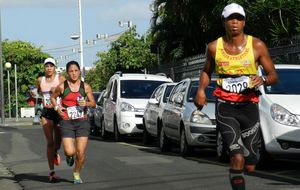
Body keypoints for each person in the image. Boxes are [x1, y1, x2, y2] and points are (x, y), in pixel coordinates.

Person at [194, 3, 278, 190]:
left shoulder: (256, 45)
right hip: (225, 106)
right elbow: (206, 72)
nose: (234, 22)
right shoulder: (214, 47)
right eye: (230, 18)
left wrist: (263, 79)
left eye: (239, 18)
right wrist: (200, 90)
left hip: (249, 105)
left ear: (244, 22)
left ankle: (248, 162)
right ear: (224, 22)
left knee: (250, 160)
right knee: (236, 154)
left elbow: (273, 75)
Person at [50, 60, 96, 184]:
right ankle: (69, 156)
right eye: (71, 71)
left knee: (81, 152)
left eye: (76, 71)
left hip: (82, 122)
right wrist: (57, 108)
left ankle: (76, 173)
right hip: (67, 121)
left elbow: (93, 103)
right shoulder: (62, 87)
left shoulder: (85, 87)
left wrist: (86, 103)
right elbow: (53, 98)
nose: (74, 74)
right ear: (67, 72)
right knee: (70, 151)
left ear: (79, 71)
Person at [37, 57, 66, 182]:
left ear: (55, 67)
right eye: (47, 66)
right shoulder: (40, 80)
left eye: (51, 66)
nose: (49, 68)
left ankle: (55, 152)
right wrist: (36, 96)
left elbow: (66, 92)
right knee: (50, 142)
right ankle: (51, 172)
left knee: (58, 142)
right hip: (46, 112)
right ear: (44, 67)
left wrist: (57, 91)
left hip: (58, 112)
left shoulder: (60, 78)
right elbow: (38, 93)